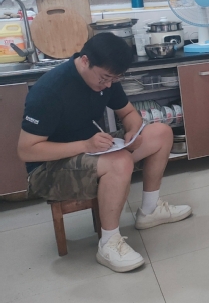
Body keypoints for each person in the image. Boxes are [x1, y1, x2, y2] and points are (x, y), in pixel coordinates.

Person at [18, 33, 192, 273]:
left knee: (161, 132)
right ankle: (108, 243)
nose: (108, 85)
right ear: (85, 61)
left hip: (92, 148)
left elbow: (129, 113)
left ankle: (150, 211)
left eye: (115, 79)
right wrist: (85, 146)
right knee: (119, 161)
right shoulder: (49, 91)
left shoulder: (106, 76)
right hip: (48, 169)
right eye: (105, 78)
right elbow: (27, 151)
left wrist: (132, 131)